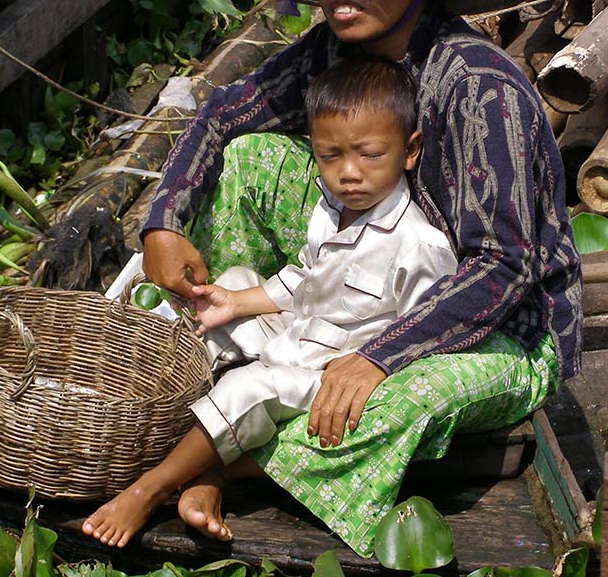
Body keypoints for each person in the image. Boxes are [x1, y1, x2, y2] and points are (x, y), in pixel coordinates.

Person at [92, 0, 584, 557]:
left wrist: (382, 354)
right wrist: (161, 224)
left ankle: (219, 468)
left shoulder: (482, 90)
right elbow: (226, 111)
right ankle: (197, 364)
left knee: (395, 401)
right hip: (366, 276)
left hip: (502, 328)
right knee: (250, 156)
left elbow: (506, 270)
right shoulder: (331, 53)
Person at [82, 57, 457, 547]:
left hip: (329, 375)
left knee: (250, 387)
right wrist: (236, 302)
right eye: (329, 156)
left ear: (409, 151)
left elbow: (426, 334)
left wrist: (369, 367)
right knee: (231, 286)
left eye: (368, 155)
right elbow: (303, 277)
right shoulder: (332, 208)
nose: (348, 174)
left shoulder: (419, 247)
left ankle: (149, 488)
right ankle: (190, 450)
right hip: (299, 332)